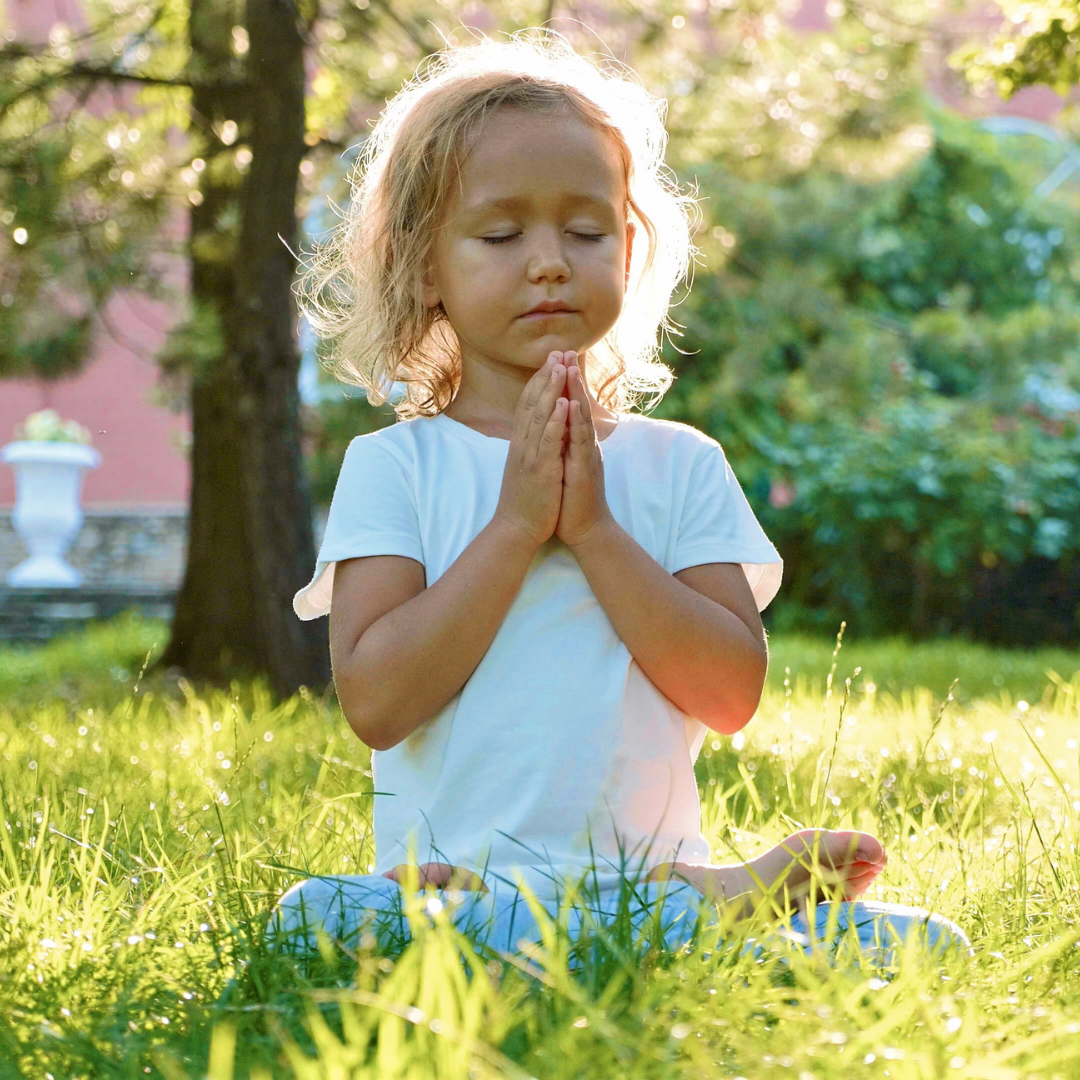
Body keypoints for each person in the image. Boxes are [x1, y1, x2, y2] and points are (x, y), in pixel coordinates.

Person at [273, 31, 968, 965]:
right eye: (501, 234)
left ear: (630, 251)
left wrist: (595, 530)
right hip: (463, 896)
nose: (550, 262)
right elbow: (377, 702)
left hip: (645, 891)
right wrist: (518, 526)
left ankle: (692, 906)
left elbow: (728, 693)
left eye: (587, 232)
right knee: (309, 921)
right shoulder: (394, 467)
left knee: (932, 949)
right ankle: (713, 913)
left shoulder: (679, 464)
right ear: (423, 263)